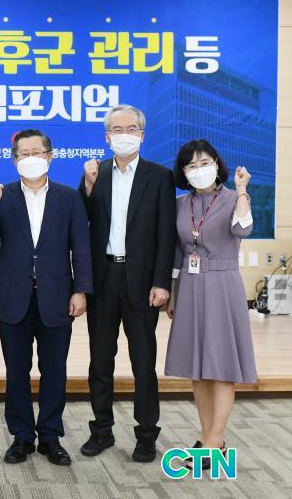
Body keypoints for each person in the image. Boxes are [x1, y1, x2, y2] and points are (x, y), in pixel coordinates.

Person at [0, 129, 92, 466]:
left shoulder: (68, 197)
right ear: (14, 160)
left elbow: (81, 247)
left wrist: (81, 289)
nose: (31, 158)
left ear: (50, 156)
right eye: (23, 154)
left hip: (57, 296)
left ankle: (51, 436)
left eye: (37, 152)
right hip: (14, 297)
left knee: (54, 370)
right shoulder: (3, 195)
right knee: (17, 371)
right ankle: (22, 436)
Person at [79, 104, 176, 463]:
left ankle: (146, 435)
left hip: (142, 282)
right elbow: (81, 221)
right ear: (107, 137)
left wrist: (162, 282)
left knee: (143, 362)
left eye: (131, 129)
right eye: (116, 130)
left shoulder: (159, 176)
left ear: (142, 135)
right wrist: (87, 187)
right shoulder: (96, 173)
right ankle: (101, 430)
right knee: (100, 361)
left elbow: (166, 234)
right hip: (104, 278)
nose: (124, 135)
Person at [164, 139, 256, 470]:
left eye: (204, 163)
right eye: (191, 166)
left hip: (222, 285)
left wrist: (242, 190)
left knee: (221, 368)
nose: (198, 170)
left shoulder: (233, 198)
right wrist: (173, 292)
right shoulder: (180, 204)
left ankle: (216, 441)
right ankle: (207, 438)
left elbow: (243, 228)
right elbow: (177, 252)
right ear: (183, 172)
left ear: (217, 164)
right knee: (198, 371)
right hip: (189, 286)